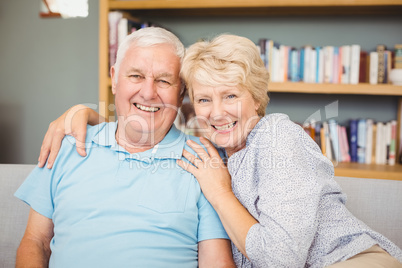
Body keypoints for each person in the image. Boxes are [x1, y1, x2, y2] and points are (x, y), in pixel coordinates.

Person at [38, 34, 402, 268]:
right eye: (204, 99)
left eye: (231, 95)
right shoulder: (213, 147)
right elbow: (141, 115)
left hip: (348, 261)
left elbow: (279, 259)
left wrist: (219, 190)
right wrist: (83, 114)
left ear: (256, 98)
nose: (217, 112)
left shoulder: (277, 136)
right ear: (191, 105)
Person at [15, 27, 236, 268]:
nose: (148, 92)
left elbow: (216, 262)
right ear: (114, 79)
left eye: (164, 81)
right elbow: (36, 242)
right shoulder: (67, 144)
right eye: (136, 76)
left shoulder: (204, 163)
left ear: (181, 91)